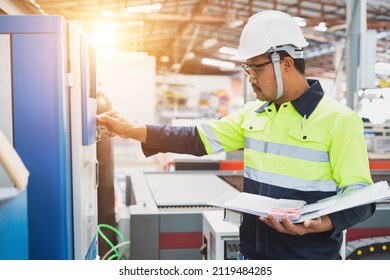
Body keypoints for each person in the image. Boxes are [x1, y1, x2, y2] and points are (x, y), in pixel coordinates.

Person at [97, 10, 375, 260]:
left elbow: (361, 196)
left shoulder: (339, 120)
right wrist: (134, 130)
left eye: (257, 68)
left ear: (287, 65)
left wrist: (322, 222)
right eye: (247, 69)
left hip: (308, 261)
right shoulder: (253, 114)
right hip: (252, 256)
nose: (250, 77)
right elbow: (197, 138)